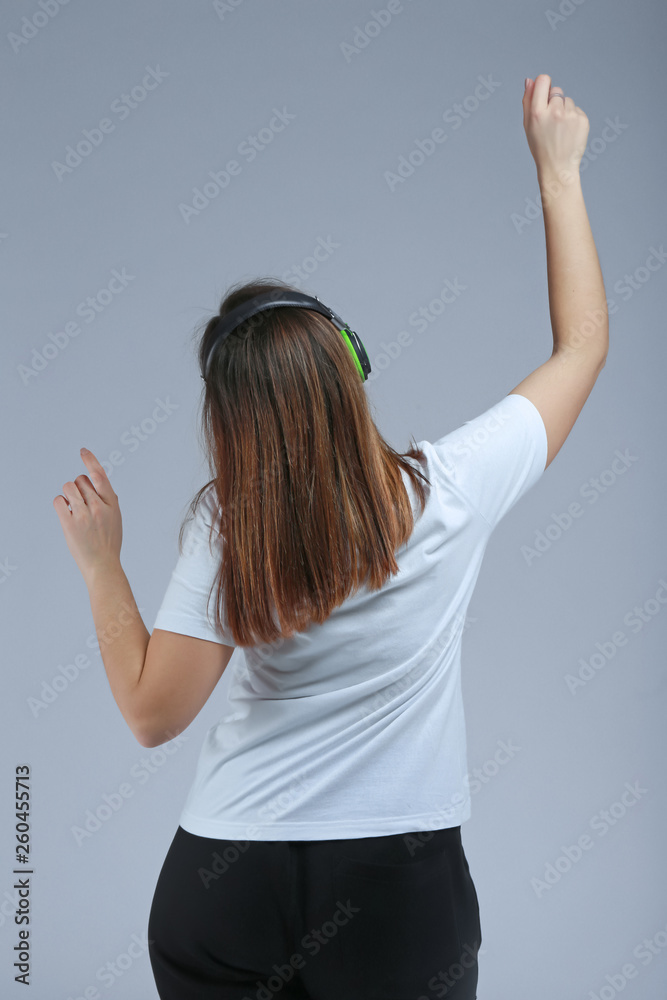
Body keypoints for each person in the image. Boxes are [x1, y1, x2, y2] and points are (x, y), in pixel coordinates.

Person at [53, 73, 608, 1000]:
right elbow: (580, 346)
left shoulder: (226, 522)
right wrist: (558, 173)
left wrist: (101, 564)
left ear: (231, 423)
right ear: (348, 369)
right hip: (397, 882)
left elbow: (152, 716)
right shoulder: (454, 487)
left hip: (224, 883)